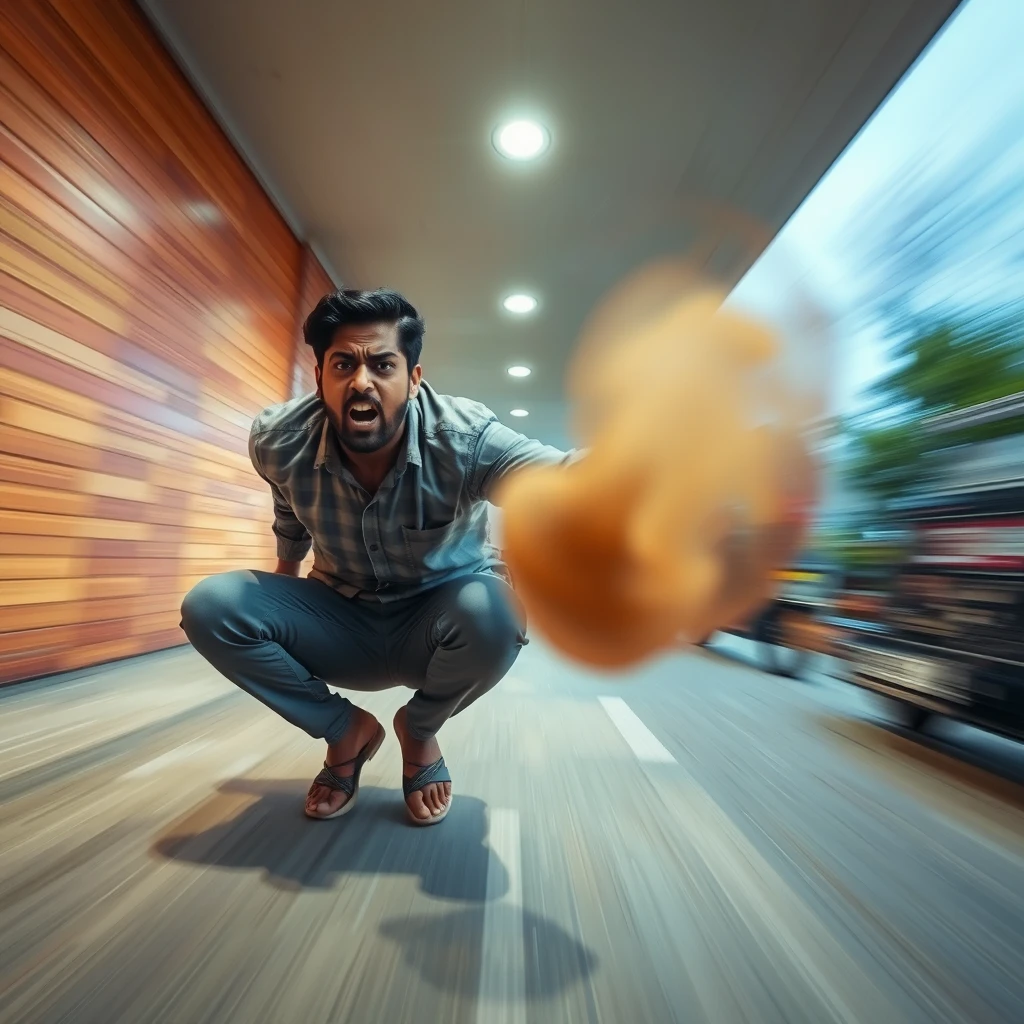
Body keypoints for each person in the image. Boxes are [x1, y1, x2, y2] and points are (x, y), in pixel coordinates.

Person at [180, 289, 571, 825]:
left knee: (497, 610)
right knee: (213, 605)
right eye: (343, 364)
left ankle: (420, 730)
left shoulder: (464, 438)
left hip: (438, 630)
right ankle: (346, 734)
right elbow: (288, 508)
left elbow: (558, 480)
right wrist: (283, 579)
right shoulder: (277, 440)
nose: (362, 382)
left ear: (413, 379)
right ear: (320, 378)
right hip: (340, 617)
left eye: (383, 364)